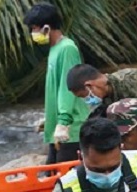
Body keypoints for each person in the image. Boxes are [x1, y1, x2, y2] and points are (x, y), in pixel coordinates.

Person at [25, 3, 88, 164]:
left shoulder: (67, 49)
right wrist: (50, 120)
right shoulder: (54, 50)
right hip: (57, 129)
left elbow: (69, 87)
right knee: (51, 175)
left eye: (34, 28)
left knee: (65, 180)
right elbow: (54, 90)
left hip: (71, 129)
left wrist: (63, 121)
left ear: (47, 27)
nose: (33, 33)